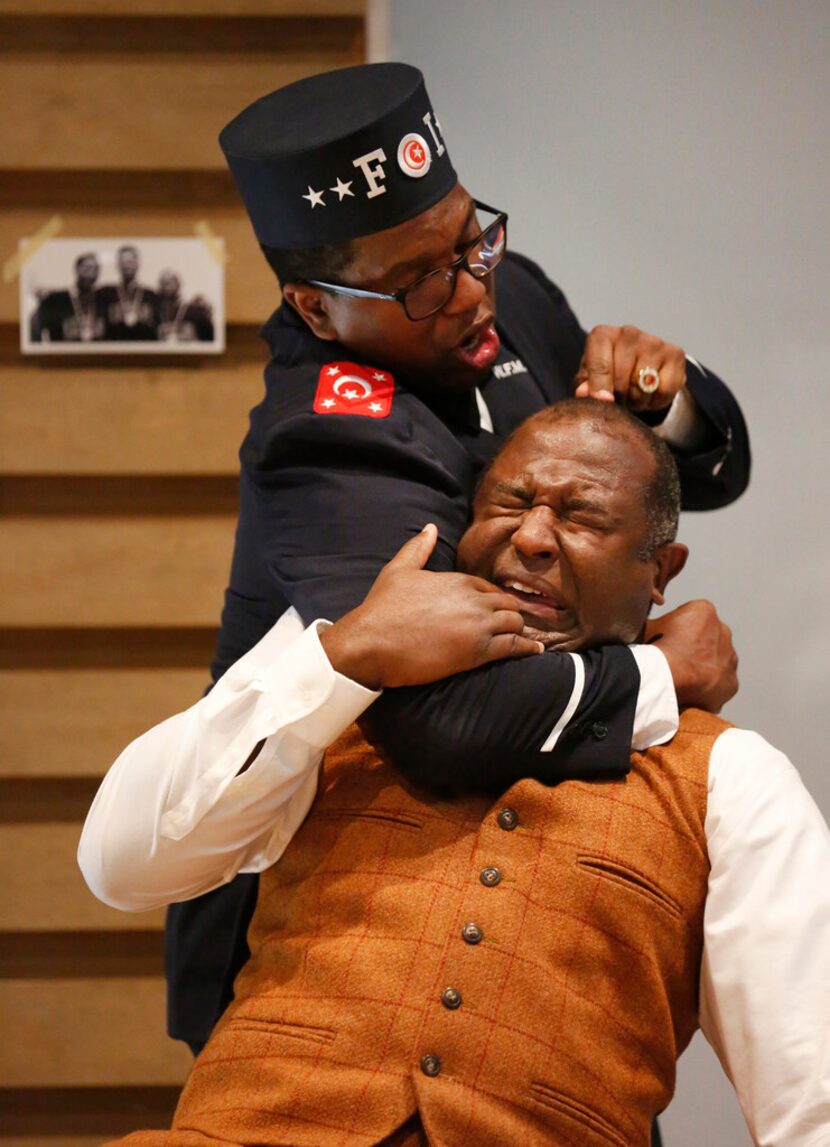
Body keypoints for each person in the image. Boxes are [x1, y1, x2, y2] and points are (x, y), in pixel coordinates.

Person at [167, 62, 751, 1061]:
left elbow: (683, 479)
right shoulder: (320, 438)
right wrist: (663, 670)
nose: (470, 290)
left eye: (471, 234)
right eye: (419, 279)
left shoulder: (493, 291)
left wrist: (666, 398)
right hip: (319, 913)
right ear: (315, 307)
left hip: (507, 842)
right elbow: (443, 721)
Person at [81, 401, 828, 1146]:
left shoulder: (732, 777)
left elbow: (811, 1097)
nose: (532, 537)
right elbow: (119, 863)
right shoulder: (344, 679)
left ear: (661, 570)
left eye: (584, 517)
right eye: (510, 501)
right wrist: (343, 657)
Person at [29, 251, 105, 343]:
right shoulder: (55, 299)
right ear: (76, 269)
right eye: (87, 268)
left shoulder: (102, 299)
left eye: (95, 269)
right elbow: (33, 327)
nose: (91, 273)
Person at [97, 244, 158, 340]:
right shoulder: (105, 293)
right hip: (114, 349)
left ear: (137, 264)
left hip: (144, 349)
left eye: (130, 262)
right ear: (117, 265)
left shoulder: (151, 295)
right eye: (123, 262)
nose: (127, 266)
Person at [156, 270, 215, 343]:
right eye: (162, 283)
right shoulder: (157, 312)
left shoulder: (194, 311)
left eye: (169, 282)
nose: (165, 286)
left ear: (178, 284)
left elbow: (210, 338)